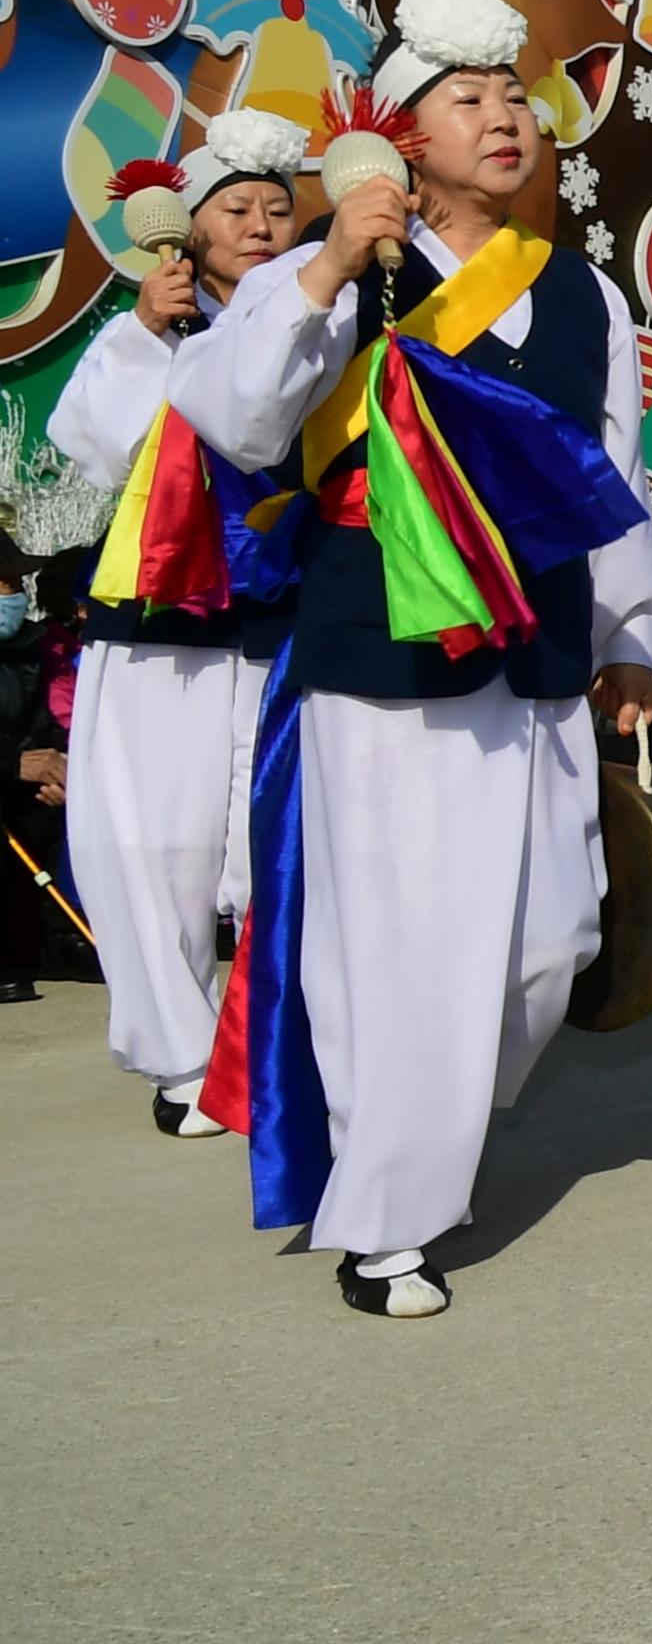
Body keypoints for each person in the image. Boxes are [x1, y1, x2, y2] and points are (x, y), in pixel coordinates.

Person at [169, 0, 652, 1318]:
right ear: (401, 130)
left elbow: (609, 480)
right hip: (381, 651)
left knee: (545, 945)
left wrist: (631, 639)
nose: (504, 115)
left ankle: (418, 1128)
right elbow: (229, 414)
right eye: (468, 97)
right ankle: (388, 1217)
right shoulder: (327, 271)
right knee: (396, 940)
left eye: (514, 96)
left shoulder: (585, 299)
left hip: (542, 653)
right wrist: (331, 258)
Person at [49, 107, 309, 1131]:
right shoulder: (150, 326)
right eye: (236, 206)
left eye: (279, 210)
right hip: (158, 617)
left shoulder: (318, 318)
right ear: (188, 228)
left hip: (280, 615)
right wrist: (147, 331)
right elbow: (91, 443)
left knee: (267, 845)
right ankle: (182, 1054)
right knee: (151, 846)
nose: (259, 224)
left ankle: (266, 1049)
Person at [0, 539, 78, 1007]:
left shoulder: (29, 650)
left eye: (12, 580)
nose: (10, 592)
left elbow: (45, 725)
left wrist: (58, 765)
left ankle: (58, 943)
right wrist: (13, 765)